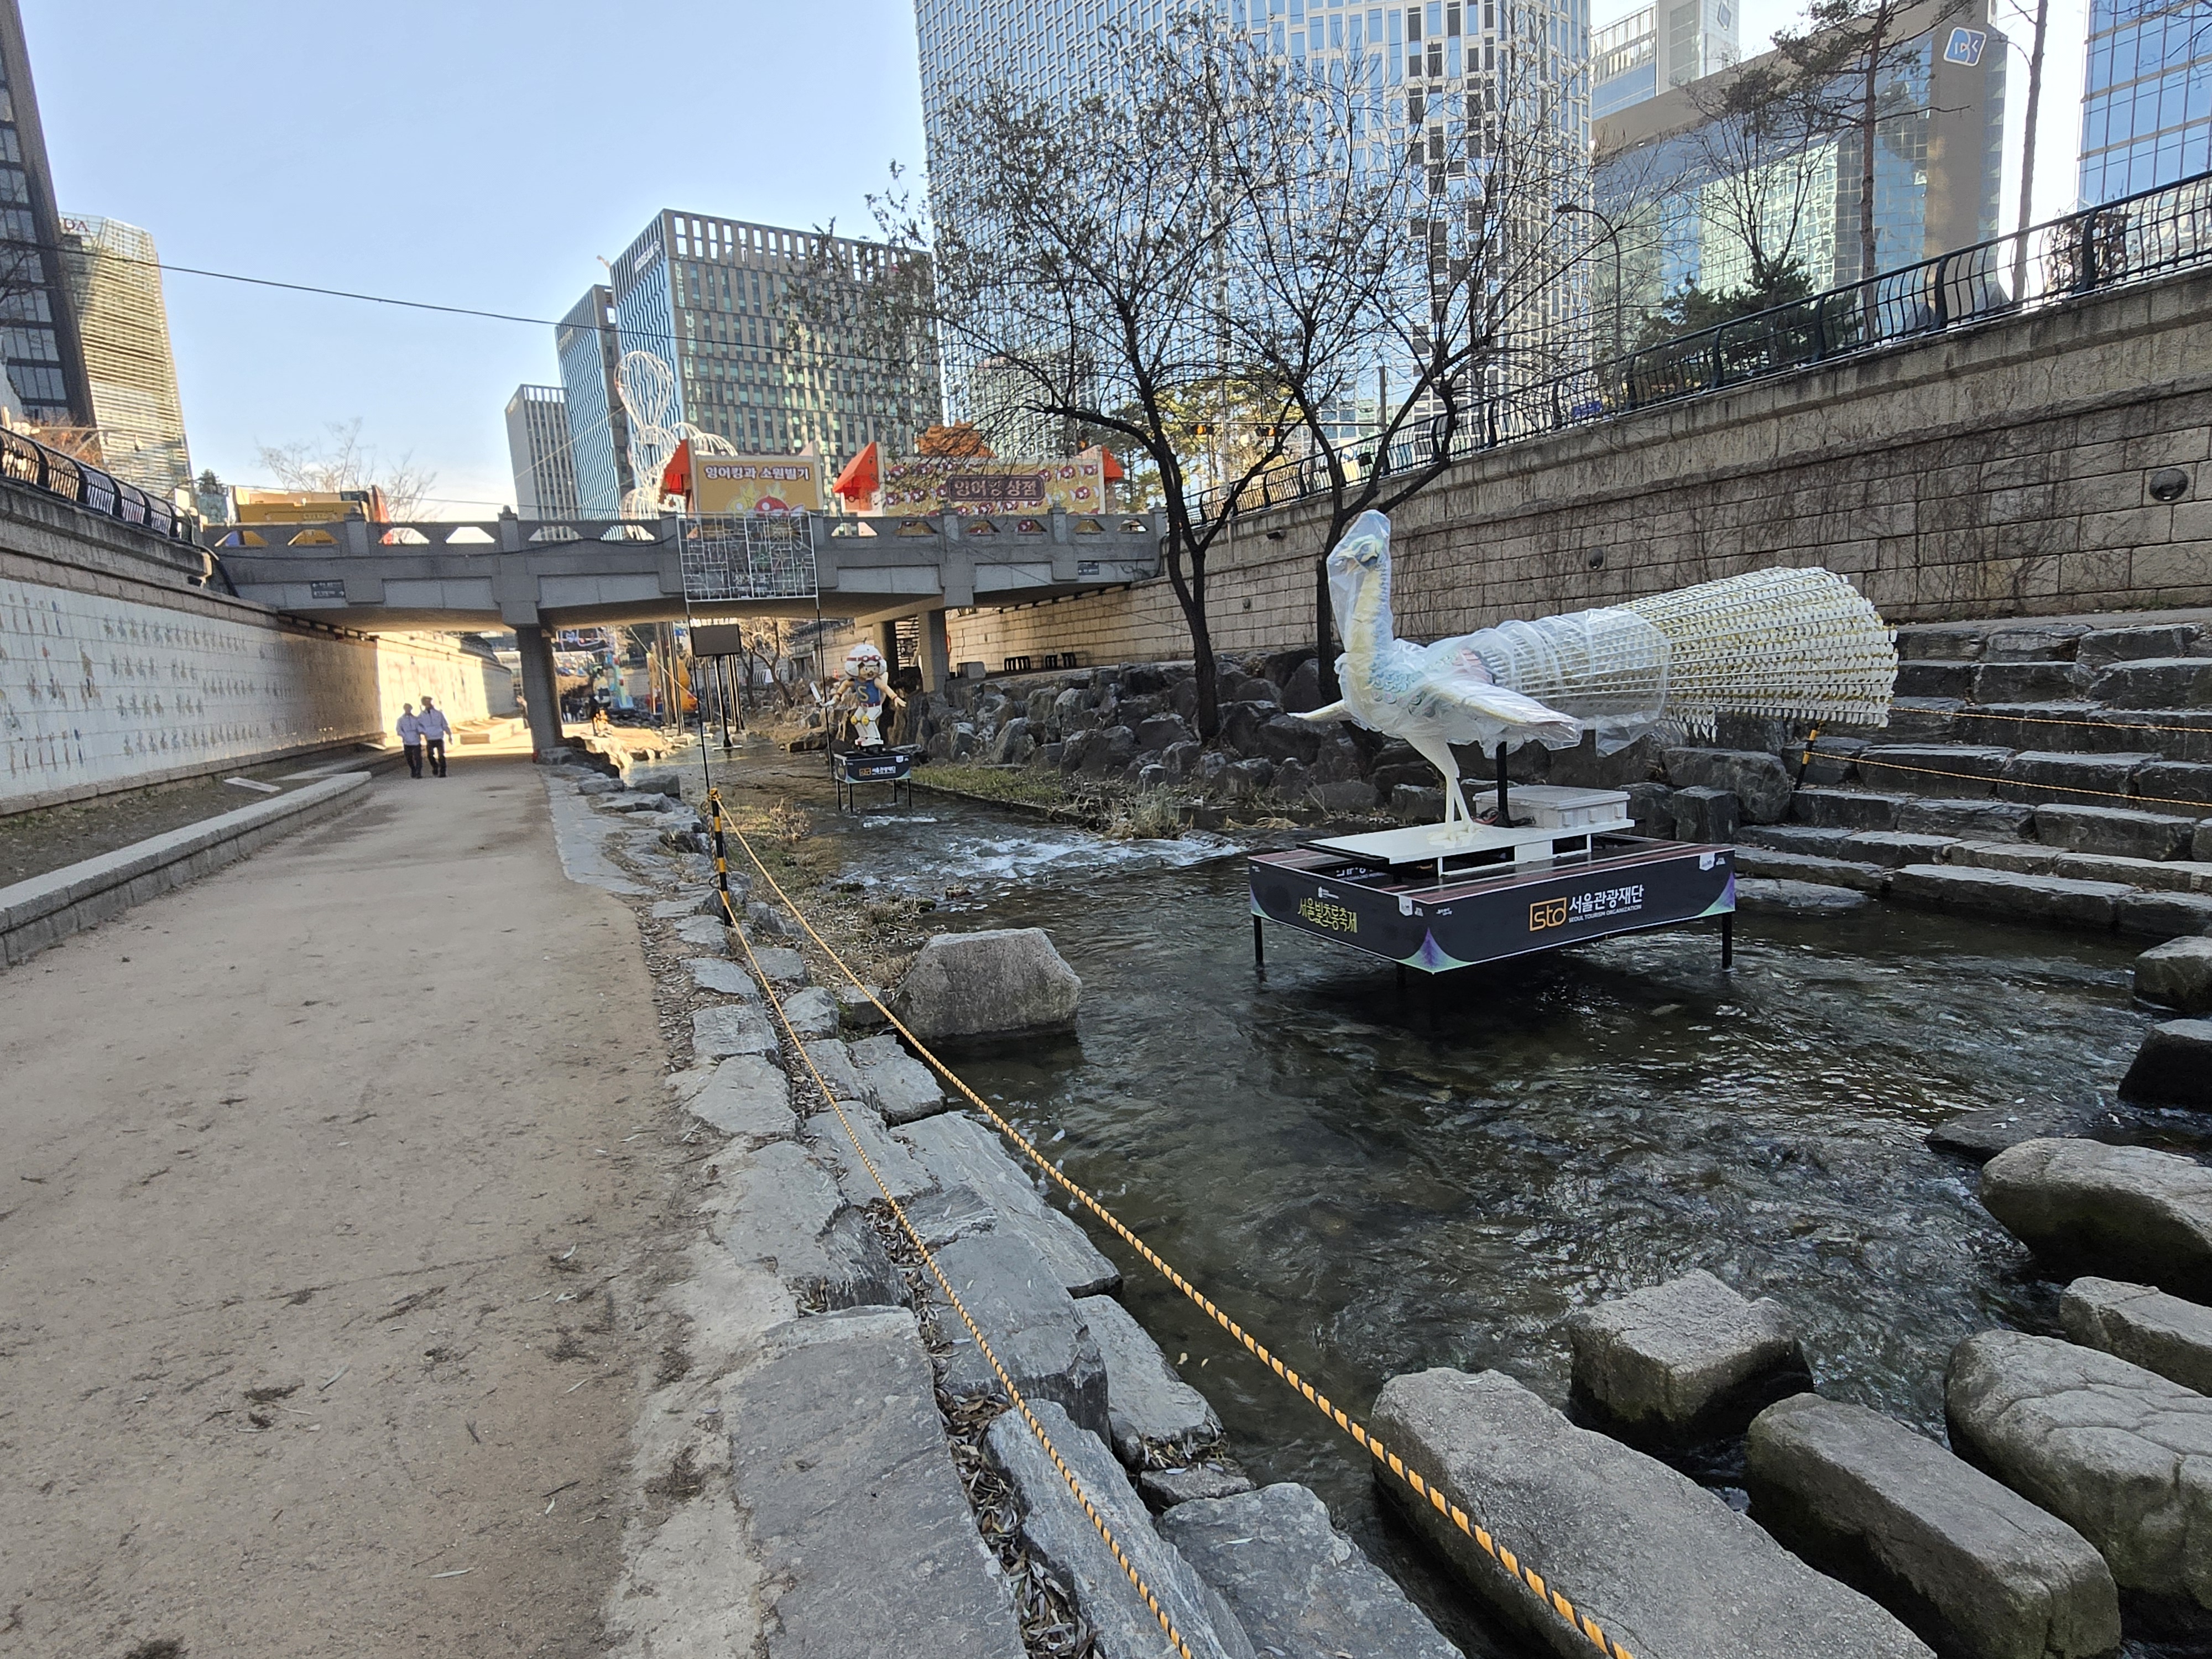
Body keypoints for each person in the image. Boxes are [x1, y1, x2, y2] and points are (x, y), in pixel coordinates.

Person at [417, 696, 451, 778]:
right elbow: (418, 726)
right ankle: (435, 766)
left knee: (441, 755)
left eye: (429, 702)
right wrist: (423, 732)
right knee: (430, 755)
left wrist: (449, 735)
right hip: (430, 738)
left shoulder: (439, 714)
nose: (428, 704)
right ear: (424, 704)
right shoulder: (421, 716)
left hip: (439, 737)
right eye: (426, 703)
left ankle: (443, 772)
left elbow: (444, 724)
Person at [397, 702, 424, 779]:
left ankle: (418, 772)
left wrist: (420, 732)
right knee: (409, 758)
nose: (408, 710)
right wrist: (404, 736)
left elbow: (420, 727)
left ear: (411, 709)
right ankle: (413, 769)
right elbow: (399, 730)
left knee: (418, 757)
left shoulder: (416, 719)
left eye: (409, 708)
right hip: (407, 742)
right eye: (407, 709)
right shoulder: (401, 720)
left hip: (416, 741)